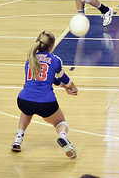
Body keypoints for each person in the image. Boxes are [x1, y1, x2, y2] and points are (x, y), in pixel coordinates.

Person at [10, 30, 78, 159]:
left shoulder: (30, 58)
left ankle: (18, 138)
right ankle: (63, 136)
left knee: (27, 108)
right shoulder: (55, 60)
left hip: (23, 100)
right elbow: (62, 78)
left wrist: (63, 88)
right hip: (46, 103)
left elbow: (50, 79)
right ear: (52, 46)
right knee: (60, 122)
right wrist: (72, 87)